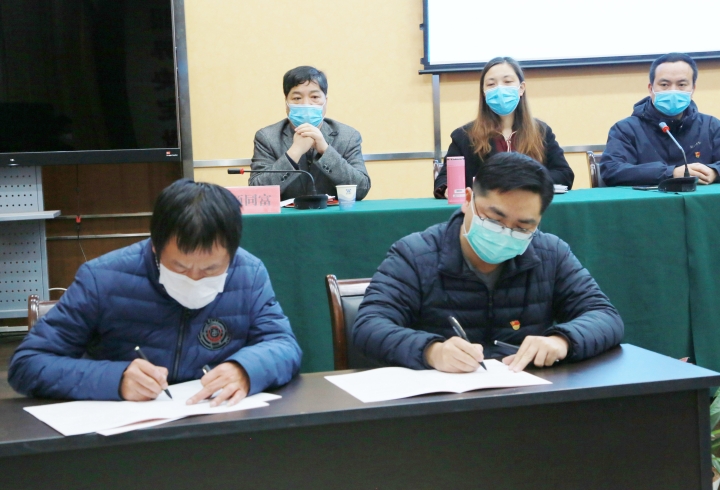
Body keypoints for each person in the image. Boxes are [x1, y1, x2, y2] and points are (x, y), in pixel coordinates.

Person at [9, 179, 302, 404]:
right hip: (125, 434)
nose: (194, 278)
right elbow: (27, 364)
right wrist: (115, 379)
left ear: (232, 254)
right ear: (154, 247)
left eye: (211, 269)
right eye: (180, 267)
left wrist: (246, 370)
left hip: (215, 425)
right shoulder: (102, 278)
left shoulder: (248, 273)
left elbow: (283, 345)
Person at [355, 152, 622, 373]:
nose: (505, 233)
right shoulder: (415, 254)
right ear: (467, 200)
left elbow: (604, 316)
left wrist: (562, 341)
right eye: (494, 220)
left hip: (526, 399)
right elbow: (369, 326)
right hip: (443, 405)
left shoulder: (550, 252)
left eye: (522, 227)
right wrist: (432, 351)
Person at [434, 57, 574, 198]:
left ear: (521, 88)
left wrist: (527, 182)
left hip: (530, 206)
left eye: (507, 82)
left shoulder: (541, 131)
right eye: (491, 84)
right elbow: (443, 181)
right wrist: (448, 189)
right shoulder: (464, 136)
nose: (499, 89)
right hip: (485, 209)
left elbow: (563, 173)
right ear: (484, 92)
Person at [250, 65, 371, 201]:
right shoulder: (267, 137)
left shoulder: (347, 136)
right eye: (297, 98)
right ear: (286, 103)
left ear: (325, 101)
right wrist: (294, 152)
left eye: (314, 97)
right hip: (286, 215)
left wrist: (325, 150)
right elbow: (257, 193)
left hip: (333, 214)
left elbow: (361, 189)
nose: (306, 104)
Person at [601, 53, 720, 186]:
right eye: (664, 84)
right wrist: (671, 173)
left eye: (681, 84)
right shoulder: (626, 129)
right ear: (651, 89)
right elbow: (611, 170)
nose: (673, 91)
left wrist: (715, 172)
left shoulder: (711, 126)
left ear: (693, 89)